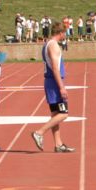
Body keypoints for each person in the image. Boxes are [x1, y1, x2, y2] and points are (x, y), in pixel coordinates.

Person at [30, 21, 75, 153]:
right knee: (63, 114)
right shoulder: (54, 46)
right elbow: (55, 68)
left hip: (50, 82)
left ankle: (58, 144)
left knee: (55, 113)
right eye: (65, 33)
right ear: (61, 33)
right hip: (54, 83)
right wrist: (61, 87)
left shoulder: (47, 44)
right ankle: (39, 132)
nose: (65, 35)